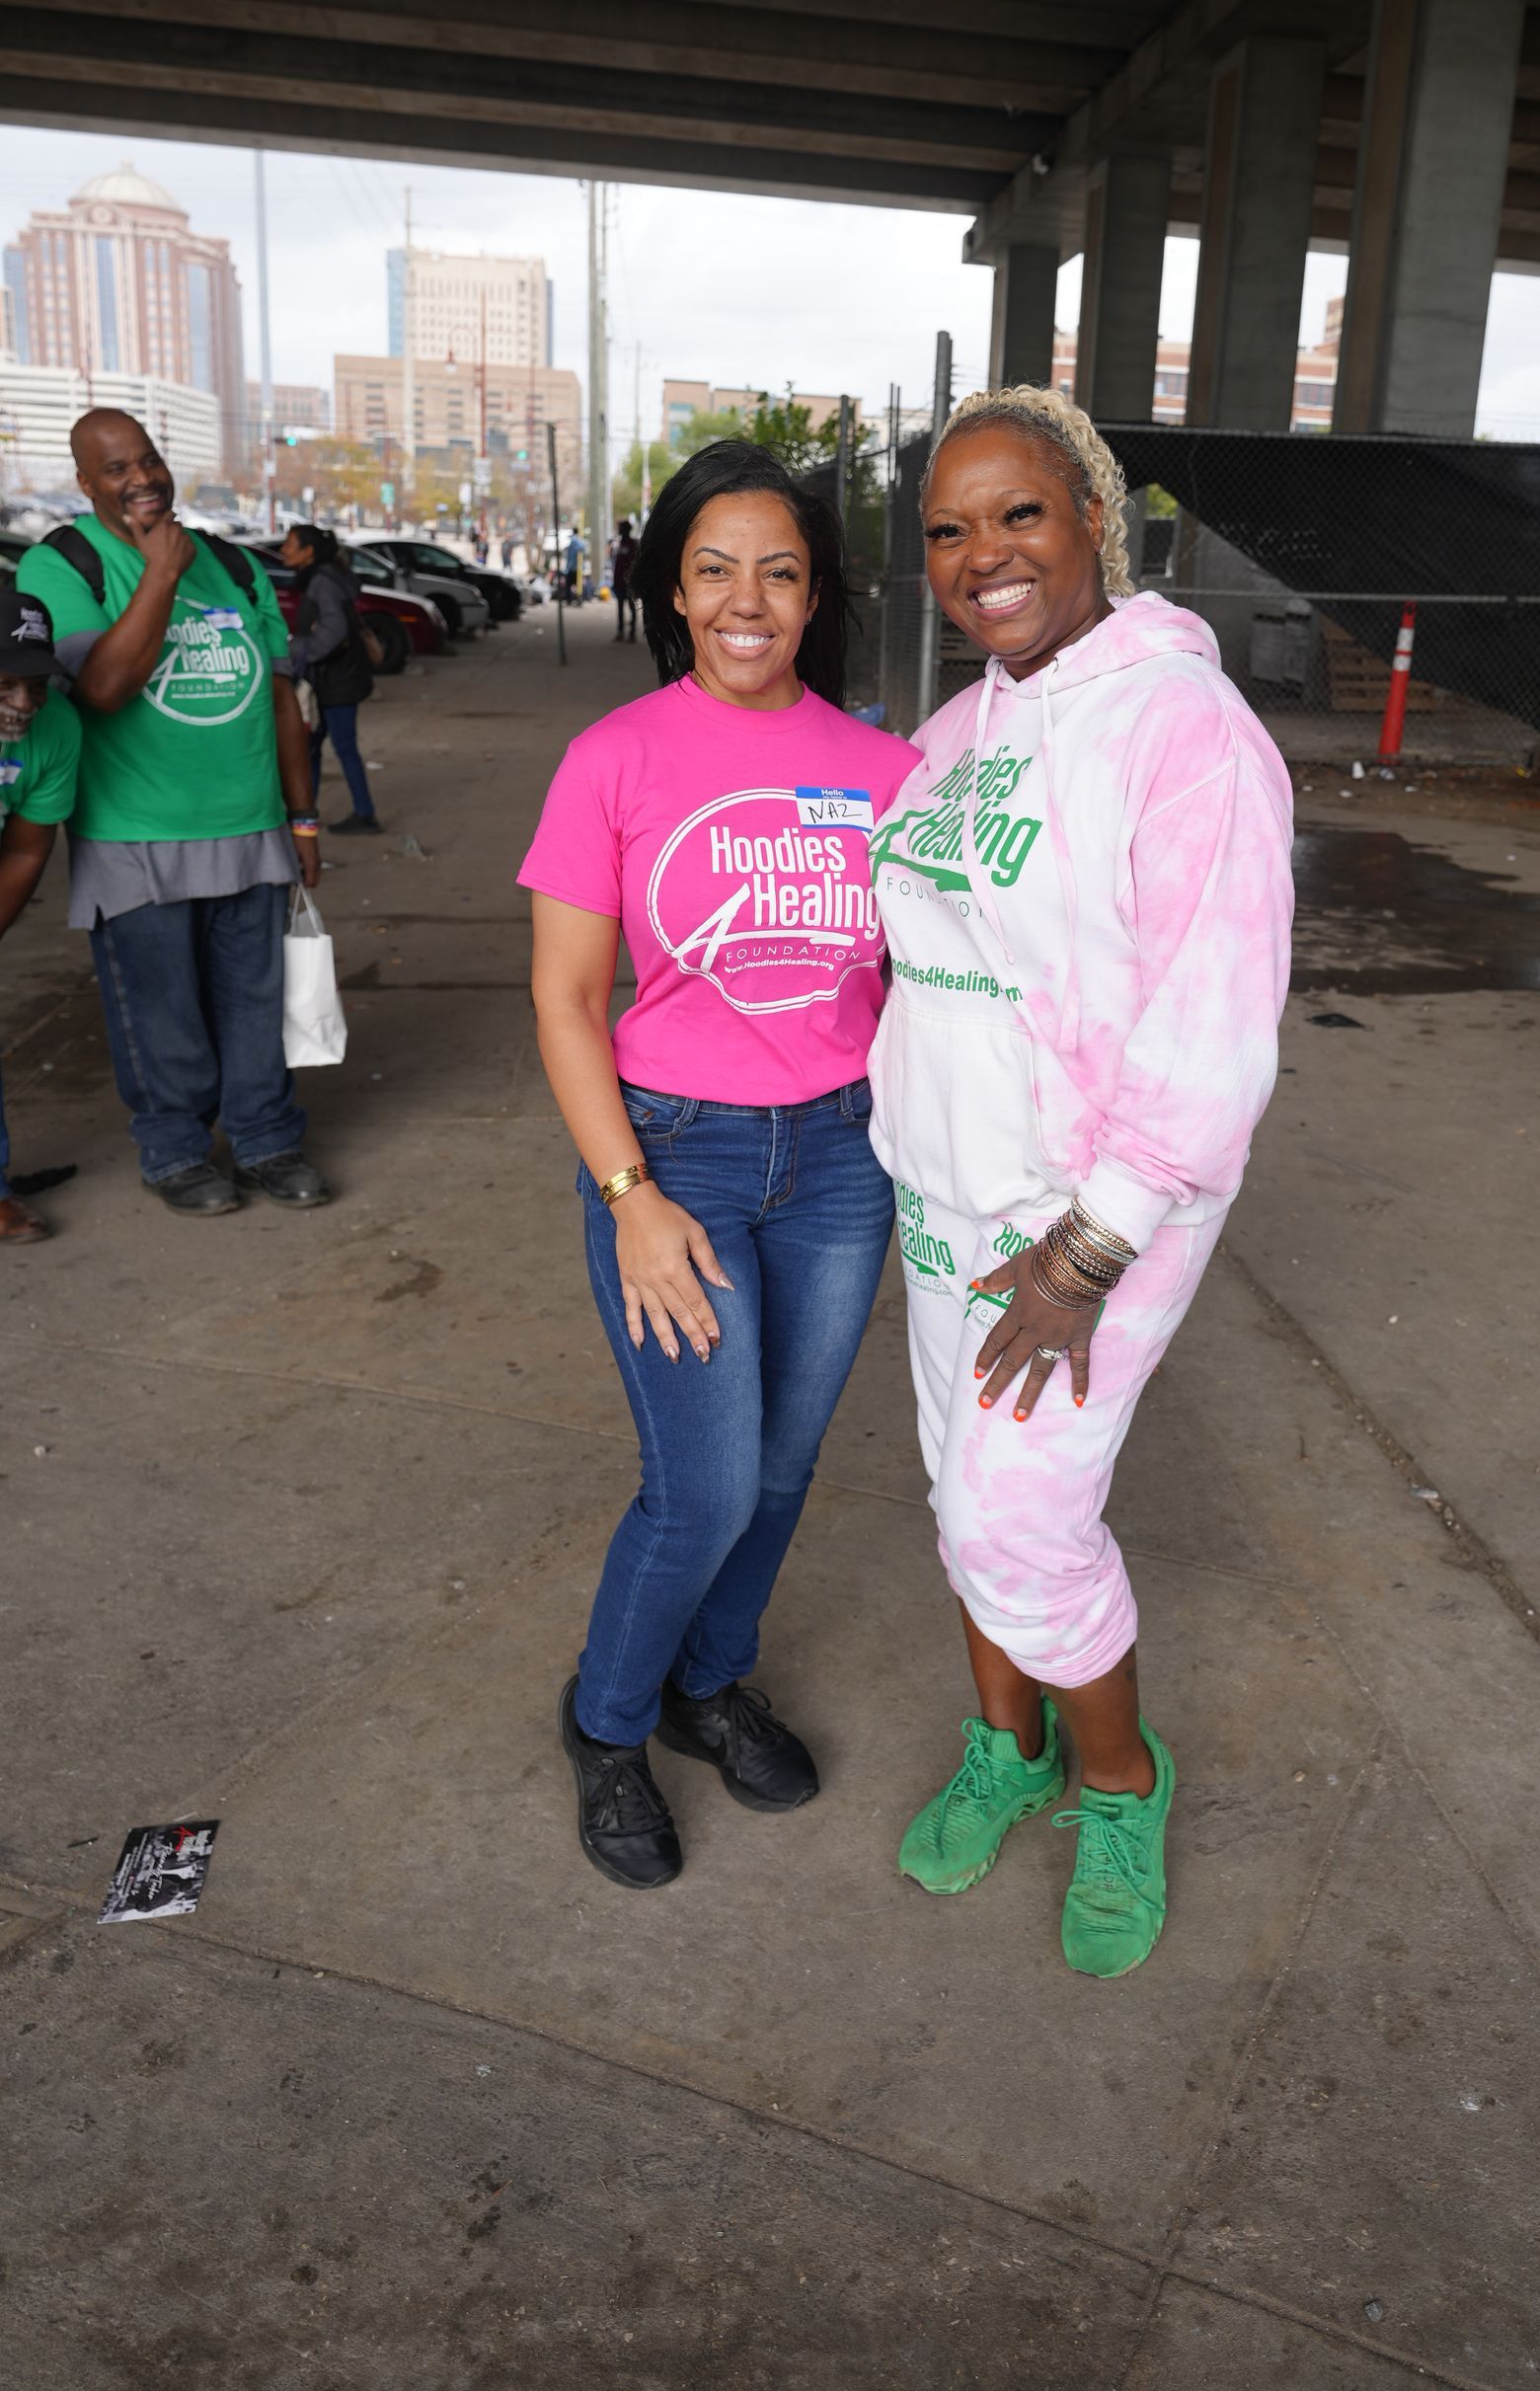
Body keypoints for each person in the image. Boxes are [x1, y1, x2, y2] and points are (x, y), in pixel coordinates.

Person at [868, 386, 1293, 1979]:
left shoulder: (1186, 735)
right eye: (950, 530)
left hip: (1083, 1218)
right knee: (955, 1502)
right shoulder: (958, 731)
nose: (985, 553)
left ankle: (1118, 1780)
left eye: (1020, 514)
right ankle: (1010, 1750)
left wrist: (1084, 1252)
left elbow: (1214, 1031)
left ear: (1096, 521)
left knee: (1020, 1519)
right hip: (941, 1189)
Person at [521, 440, 918, 1889]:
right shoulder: (613, 759)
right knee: (701, 1483)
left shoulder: (886, 770)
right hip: (672, 1153)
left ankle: (709, 1682)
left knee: (786, 1467)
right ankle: (610, 1724)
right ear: (673, 591)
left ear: (815, 597)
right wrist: (629, 1198)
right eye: (715, 569)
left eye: (781, 571)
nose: (748, 599)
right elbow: (567, 1000)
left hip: (838, 1161)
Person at [16, 410, 329, 1216]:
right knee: (162, 1015)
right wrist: (158, 574)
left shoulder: (230, 563)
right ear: (87, 485)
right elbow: (102, 689)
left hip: (251, 824)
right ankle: (175, 1150)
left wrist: (302, 818)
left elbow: (279, 699)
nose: (141, 479)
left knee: (258, 1005)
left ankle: (265, 1138)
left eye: (148, 460)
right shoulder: (65, 565)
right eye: (116, 469)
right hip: (134, 834)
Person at [0, 585, 82, 1242]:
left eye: (36, 684)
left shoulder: (56, 729)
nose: (24, 705)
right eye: (4, 685)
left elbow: (28, 849)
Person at [280, 523, 381, 834]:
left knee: (340, 747)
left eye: (289, 544)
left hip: (336, 679)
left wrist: (299, 649)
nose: (283, 550)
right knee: (310, 746)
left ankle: (363, 814)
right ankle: (304, 813)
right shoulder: (326, 577)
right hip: (334, 677)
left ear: (308, 552)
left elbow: (334, 629)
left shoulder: (322, 581)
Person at [610, 517, 641, 643]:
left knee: (631, 607)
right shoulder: (620, 543)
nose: (619, 531)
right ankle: (620, 632)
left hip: (629, 583)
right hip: (619, 583)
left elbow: (635, 564)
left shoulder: (633, 544)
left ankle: (632, 633)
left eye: (620, 528)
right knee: (620, 607)